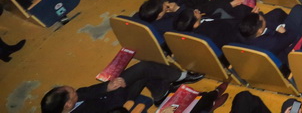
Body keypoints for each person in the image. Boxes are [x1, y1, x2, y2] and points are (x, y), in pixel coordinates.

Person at [40, 62, 203, 113]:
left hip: (112, 94)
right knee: (143, 69)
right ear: (68, 104)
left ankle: (161, 94)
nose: (75, 90)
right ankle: (181, 76)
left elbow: (90, 91)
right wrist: (117, 90)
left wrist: (108, 86)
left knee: (142, 73)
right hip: (118, 105)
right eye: (72, 92)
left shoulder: (75, 97)